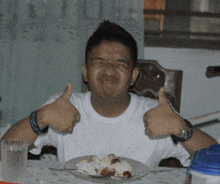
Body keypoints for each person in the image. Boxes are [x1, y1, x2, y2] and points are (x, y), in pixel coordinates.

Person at [1, 21, 217, 167]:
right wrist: (40, 118)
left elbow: (217, 160)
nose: (109, 71)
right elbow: (4, 151)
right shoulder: (64, 107)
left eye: (120, 63)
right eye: (100, 61)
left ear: (133, 76)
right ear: (85, 72)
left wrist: (182, 129)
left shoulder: (156, 114)